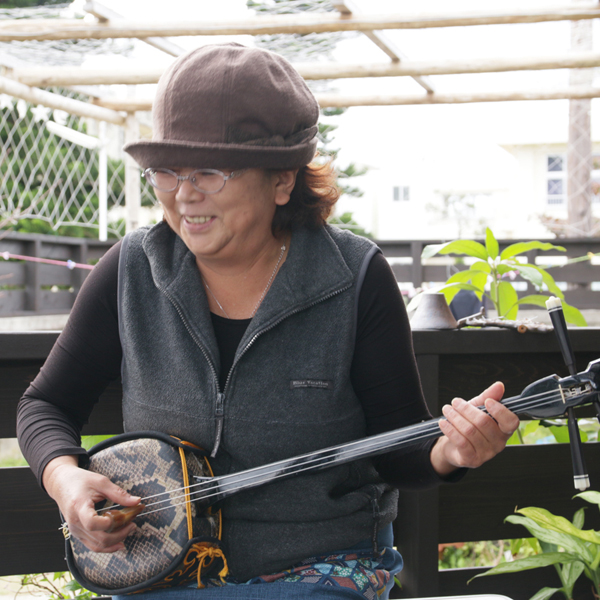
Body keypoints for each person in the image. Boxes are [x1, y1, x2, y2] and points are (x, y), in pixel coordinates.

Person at [17, 43, 520, 600]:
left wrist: (452, 451)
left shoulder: (353, 277)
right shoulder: (131, 270)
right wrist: (65, 481)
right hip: (163, 572)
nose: (183, 195)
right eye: (166, 171)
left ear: (283, 180)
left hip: (319, 569)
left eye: (209, 171)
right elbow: (44, 404)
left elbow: (397, 449)